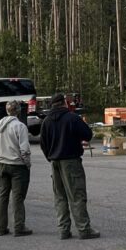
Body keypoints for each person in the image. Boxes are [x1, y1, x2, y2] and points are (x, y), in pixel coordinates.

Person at [40, 92, 99, 239]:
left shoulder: (46, 121)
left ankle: (63, 229)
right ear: (64, 103)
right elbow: (88, 134)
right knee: (77, 195)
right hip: (71, 161)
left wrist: (50, 156)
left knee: (60, 196)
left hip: (55, 162)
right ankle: (84, 228)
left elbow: (43, 144)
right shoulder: (72, 118)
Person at [0, 101, 32, 237]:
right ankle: (19, 226)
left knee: (2, 196)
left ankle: (1, 227)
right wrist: (27, 164)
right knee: (18, 197)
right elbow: (24, 149)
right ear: (18, 111)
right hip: (17, 165)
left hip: (2, 162)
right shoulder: (20, 126)